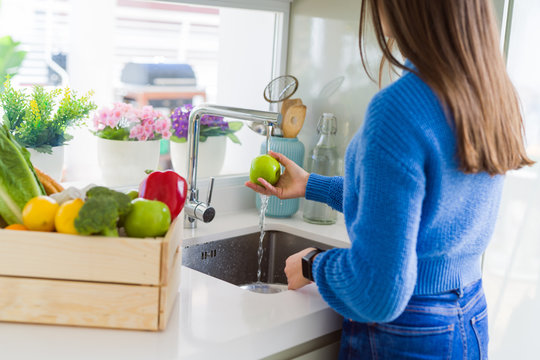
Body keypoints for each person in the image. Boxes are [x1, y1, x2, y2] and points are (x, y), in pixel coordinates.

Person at [245, 0, 533, 359]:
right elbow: (427, 207)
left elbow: (379, 291)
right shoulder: (491, 91)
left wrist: (313, 264)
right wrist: (312, 185)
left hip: (408, 335)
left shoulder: (398, 108)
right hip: (468, 318)